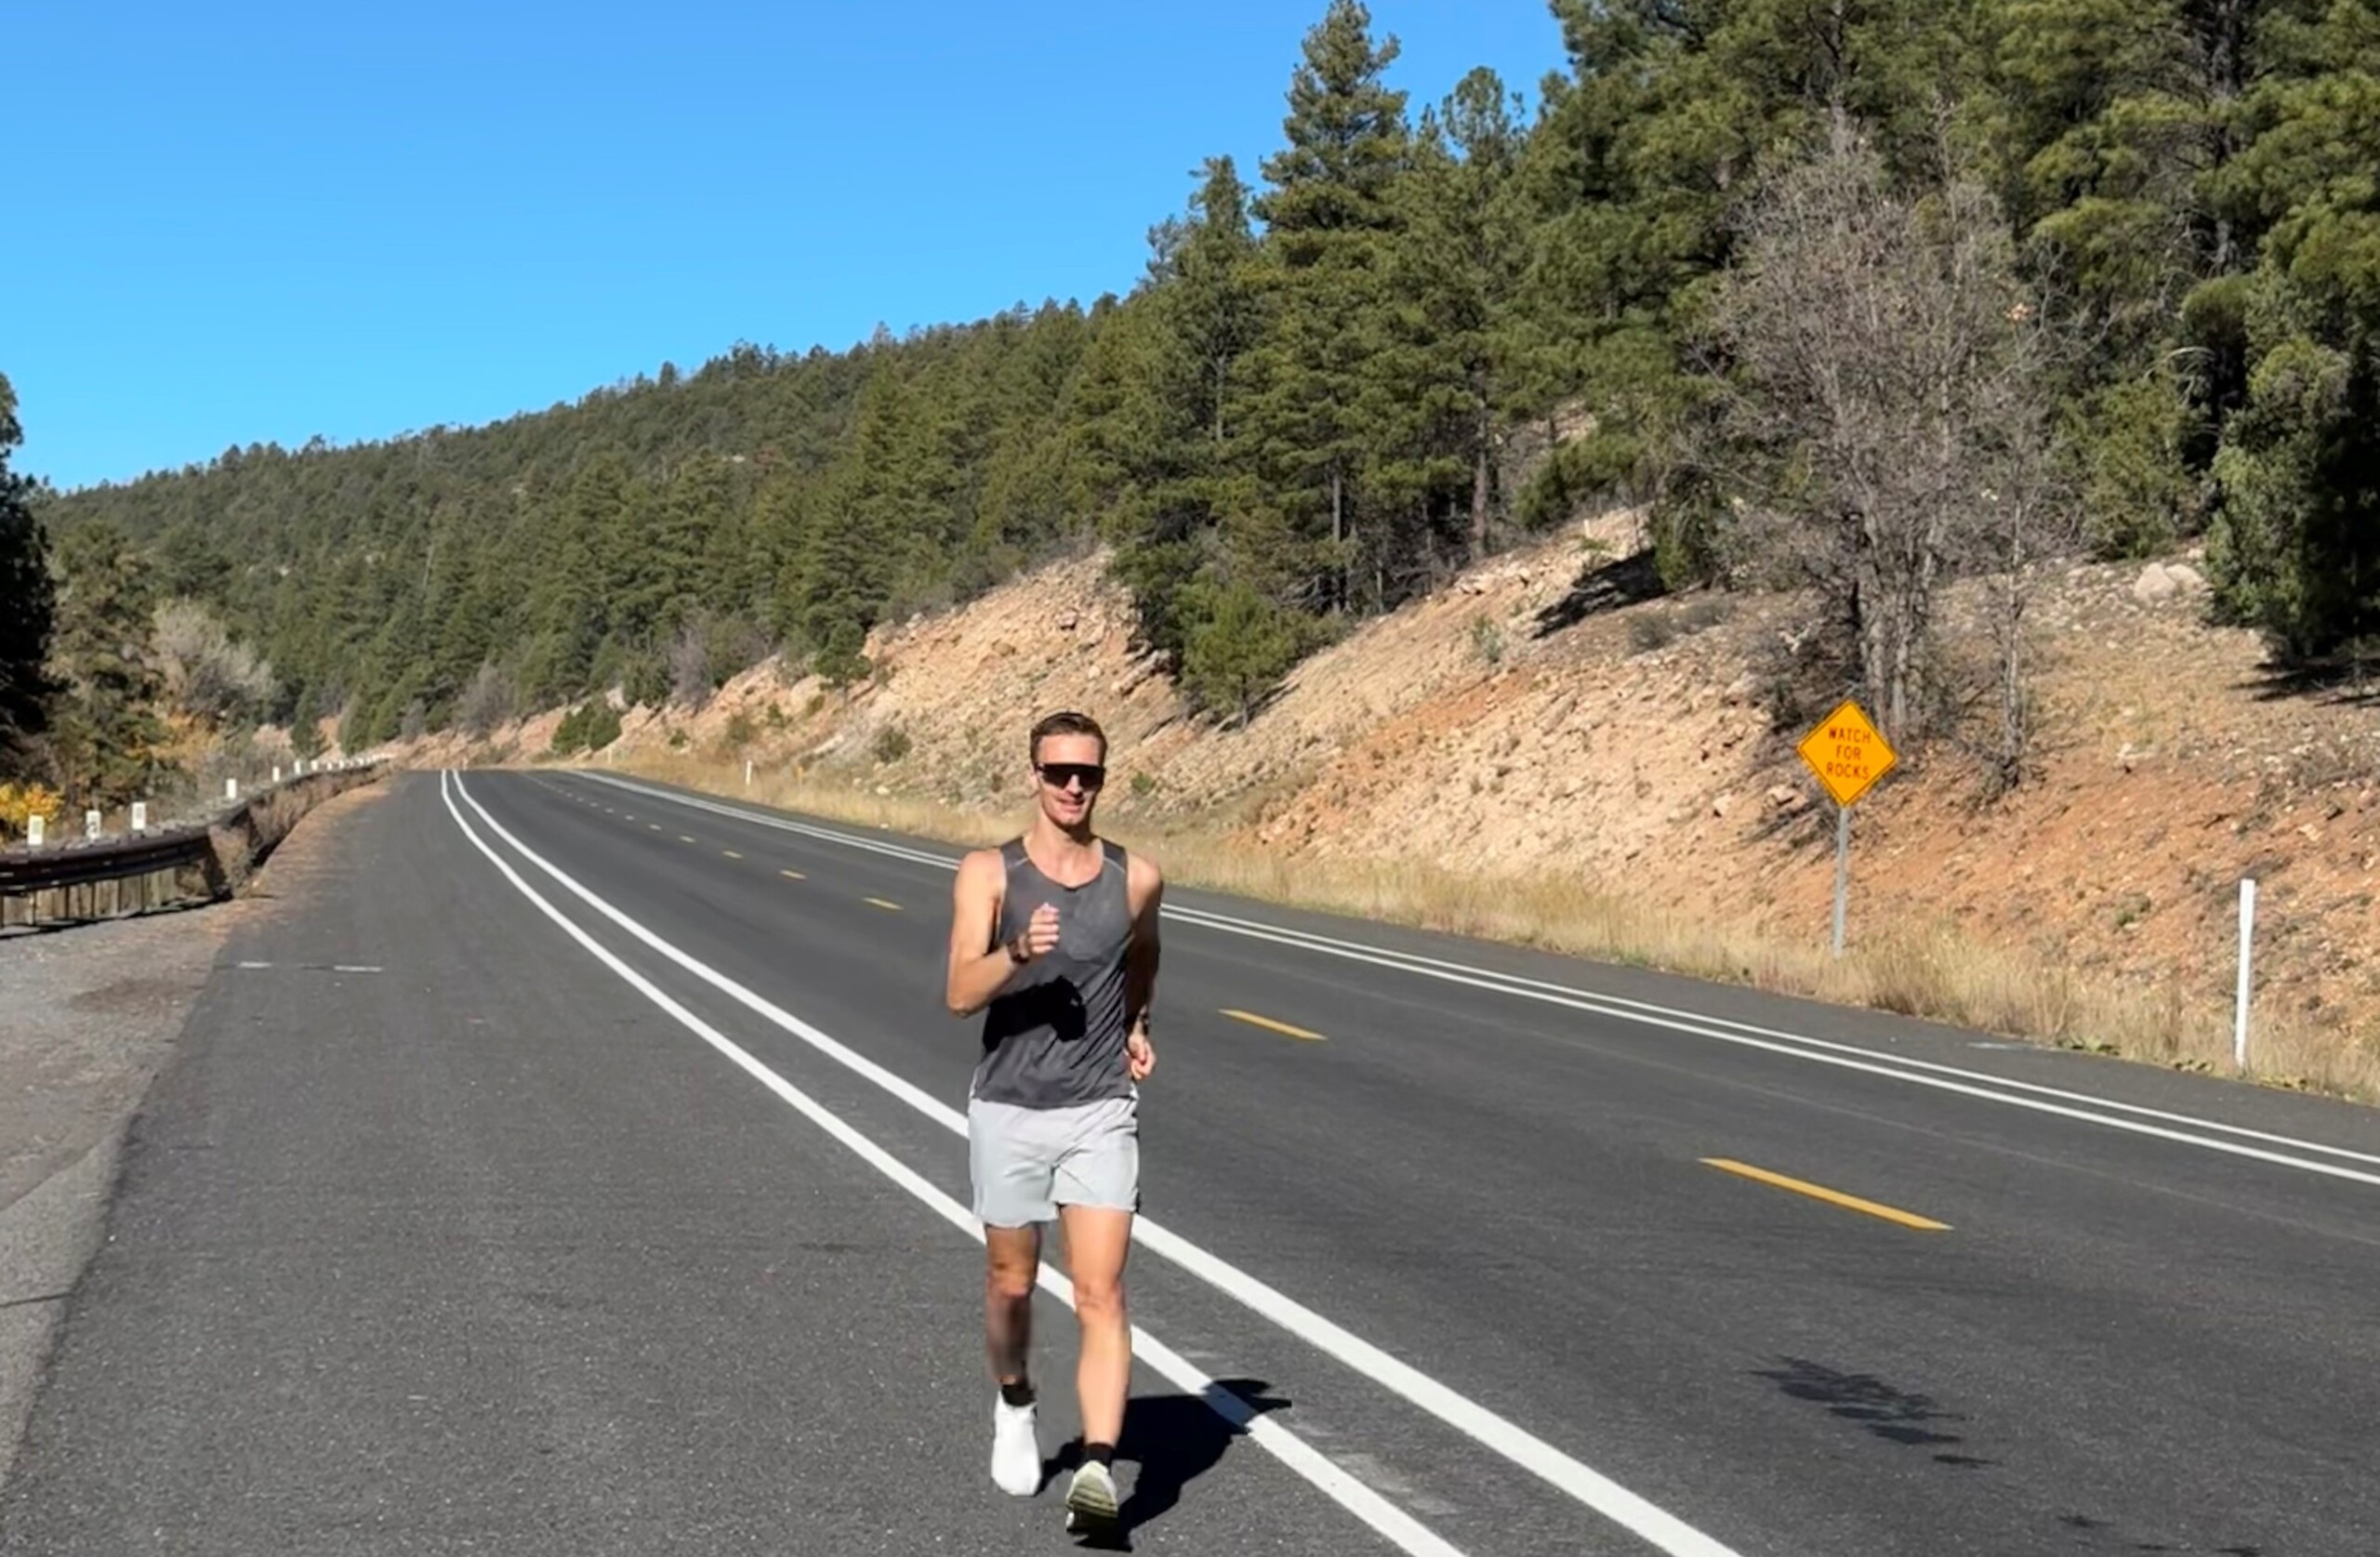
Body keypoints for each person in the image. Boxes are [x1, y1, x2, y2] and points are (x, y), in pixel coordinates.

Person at [945, 709, 1162, 1539]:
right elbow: (962, 992)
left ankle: (1101, 1467)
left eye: (1090, 773)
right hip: (1009, 1107)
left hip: (1100, 1109)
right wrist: (1019, 955)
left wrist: (1138, 1022)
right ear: (1032, 774)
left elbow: (1144, 953)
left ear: (1104, 778)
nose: (1075, 786)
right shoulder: (988, 873)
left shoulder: (1136, 877)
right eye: (1059, 771)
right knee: (1011, 1286)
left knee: (1101, 1290)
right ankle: (1016, 1400)